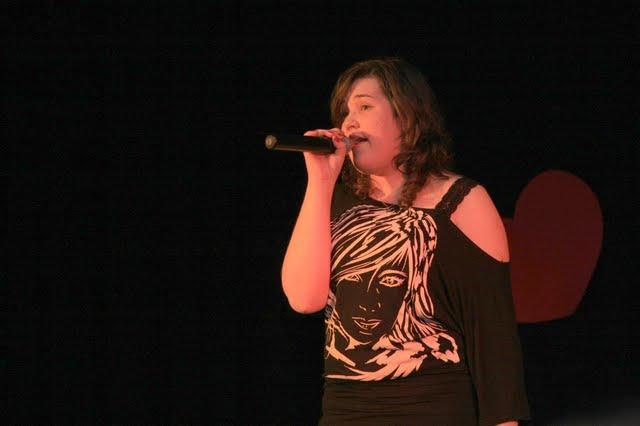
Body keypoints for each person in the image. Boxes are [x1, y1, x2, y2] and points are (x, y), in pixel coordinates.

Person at [280, 57, 531, 426]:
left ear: (408, 115)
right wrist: (320, 181)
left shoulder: (462, 202)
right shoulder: (335, 203)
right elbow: (304, 299)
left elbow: (494, 342)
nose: (349, 121)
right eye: (345, 111)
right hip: (346, 413)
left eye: (364, 106)